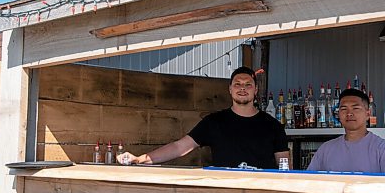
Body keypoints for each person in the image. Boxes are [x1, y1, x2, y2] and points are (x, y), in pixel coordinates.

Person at [117, 66, 290, 169]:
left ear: (256, 90)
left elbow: (284, 169)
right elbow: (179, 147)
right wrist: (140, 159)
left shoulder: (273, 126)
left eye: (248, 85)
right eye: (237, 84)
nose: (242, 88)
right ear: (230, 89)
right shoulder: (214, 122)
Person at [307, 88, 385, 175]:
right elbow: (309, 184)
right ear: (338, 114)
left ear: (368, 113)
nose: (349, 113)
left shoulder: (384, 151)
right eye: (344, 109)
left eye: (355, 108)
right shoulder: (325, 150)